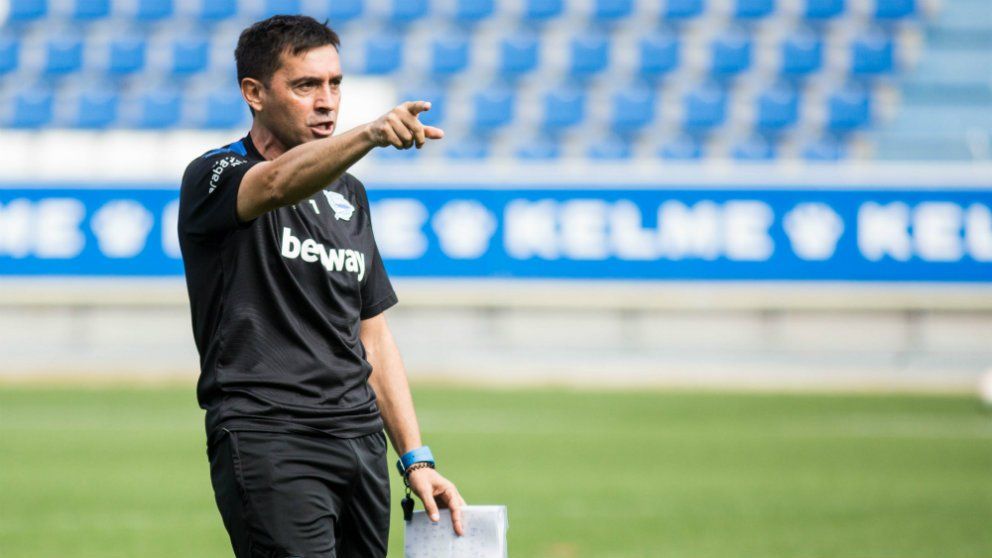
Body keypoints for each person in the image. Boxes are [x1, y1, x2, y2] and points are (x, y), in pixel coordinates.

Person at [177, 15, 465, 558]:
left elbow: (373, 338)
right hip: (270, 436)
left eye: (335, 83)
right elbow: (277, 182)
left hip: (359, 443)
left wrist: (416, 459)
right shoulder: (213, 175)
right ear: (254, 93)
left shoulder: (349, 193)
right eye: (306, 85)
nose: (327, 101)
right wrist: (373, 133)